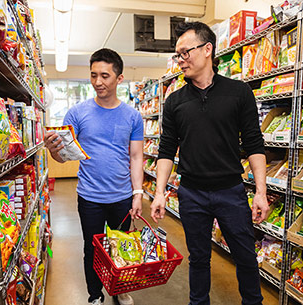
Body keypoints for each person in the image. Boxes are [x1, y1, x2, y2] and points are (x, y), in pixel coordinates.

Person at [150, 22, 269, 305]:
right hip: (191, 193)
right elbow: (166, 150)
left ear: (207, 50)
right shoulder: (175, 101)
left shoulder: (239, 93)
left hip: (231, 190)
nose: (180, 61)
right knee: (199, 259)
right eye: (177, 55)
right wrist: (158, 192)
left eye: (184, 53)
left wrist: (261, 192)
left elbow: (254, 144)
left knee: (245, 256)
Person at [45, 48, 144, 305]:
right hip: (89, 196)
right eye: (93, 75)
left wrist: (138, 193)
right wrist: (54, 150)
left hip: (122, 196)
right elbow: (63, 156)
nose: (98, 82)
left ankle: (119, 289)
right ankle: (94, 294)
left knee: (120, 246)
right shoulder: (77, 113)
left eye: (105, 76)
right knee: (92, 248)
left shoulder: (133, 116)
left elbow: (135, 157)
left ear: (119, 78)